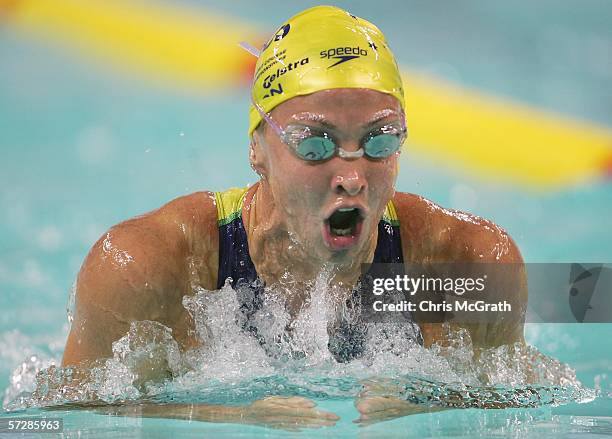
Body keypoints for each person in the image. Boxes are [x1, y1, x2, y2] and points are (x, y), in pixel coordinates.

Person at [60, 5, 526, 428]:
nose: (351, 176)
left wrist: (437, 405)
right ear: (257, 149)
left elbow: (529, 397)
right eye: (314, 142)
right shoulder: (148, 267)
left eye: (379, 139)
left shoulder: (467, 266)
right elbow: (62, 414)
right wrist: (218, 417)